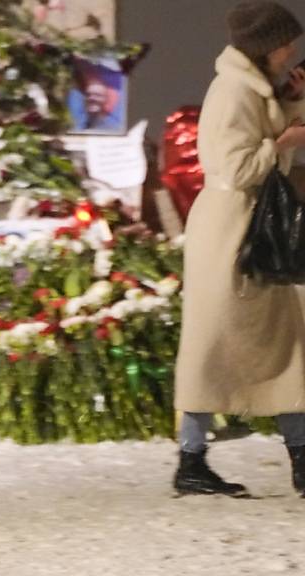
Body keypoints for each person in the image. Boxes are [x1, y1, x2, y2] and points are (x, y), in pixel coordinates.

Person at [174, 0, 305, 498]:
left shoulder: (252, 89)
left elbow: (266, 146)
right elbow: (235, 168)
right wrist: (284, 138)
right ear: (263, 47)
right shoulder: (231, 92)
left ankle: (296, 454)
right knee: (213, 345)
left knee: (286, 340)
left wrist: (291, 105)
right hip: (231, 231)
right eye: (284, 42)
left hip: (251, 226)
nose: (291, 49)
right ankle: (191, 459)